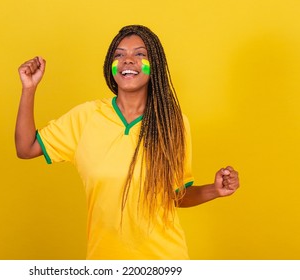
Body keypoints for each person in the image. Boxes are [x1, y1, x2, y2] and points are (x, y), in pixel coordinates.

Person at [15, 25, 239, 259]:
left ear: (155, 66)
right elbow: (26, 147)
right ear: (111, 66)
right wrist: (28, 88)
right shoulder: (86, 117)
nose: (128, 60)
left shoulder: (173, 123)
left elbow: (177, 195)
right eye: (119, 55)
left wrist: (215, 189)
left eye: (140, 54)